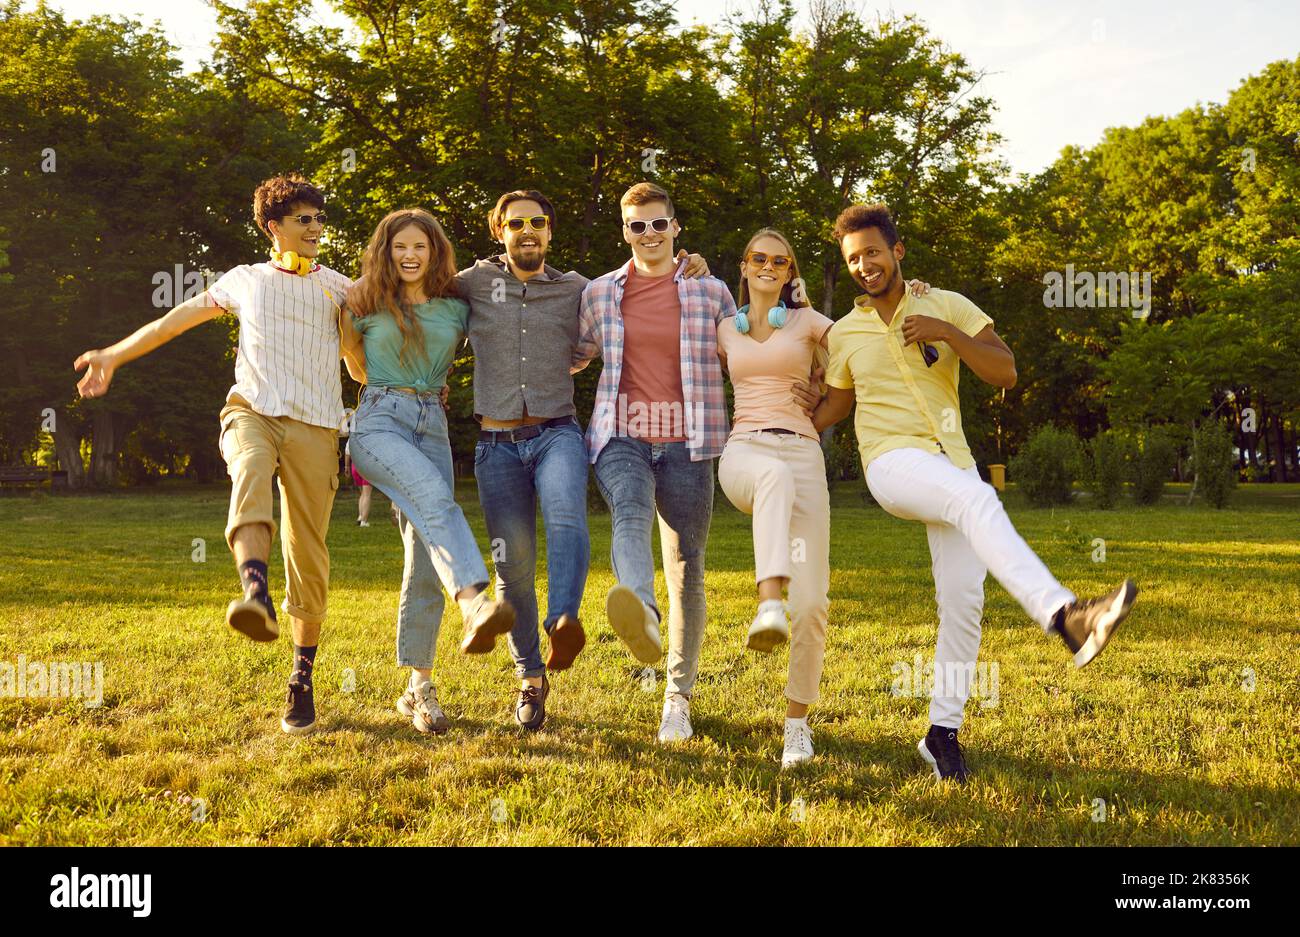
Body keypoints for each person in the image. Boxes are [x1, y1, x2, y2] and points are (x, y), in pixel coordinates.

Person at [802, 202, 1139, 783]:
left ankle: (942, 735)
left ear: (897, 251)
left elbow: (1004, 371)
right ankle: (1065, 616)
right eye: (853, 259)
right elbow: (834, 405)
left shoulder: (947, 303)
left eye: (873, 253)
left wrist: (946, 332)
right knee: (977, 499)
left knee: (963, 602)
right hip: (891, 463)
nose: (864, 266)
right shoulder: (845, 333)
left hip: (951, 463)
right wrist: (777, 416)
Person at [73, 174, 362, 735]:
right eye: (303, 219)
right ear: (273, 226)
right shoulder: (244, 279)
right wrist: (112, 354)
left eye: (319, 220)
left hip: (319, 426)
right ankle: (255, 590)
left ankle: (301, 676)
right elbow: (171, 322)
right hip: (251, 410)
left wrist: (386, 373)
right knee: (249, 467)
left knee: (309, 551)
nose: (314, 229)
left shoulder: (342, 288)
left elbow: (357, 362)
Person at [456, 189, 709, 732]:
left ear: (550, 231)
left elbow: (730, 325)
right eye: (516, 222)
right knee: (512, 566)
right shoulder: (477, 284)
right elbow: (416, 286)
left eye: (538, 222)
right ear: (498, 229)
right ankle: (530, 677)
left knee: (571, 519)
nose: (528, 230)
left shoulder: (577, 289)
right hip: (499, 441)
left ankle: (565, 620)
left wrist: (698, 267)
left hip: (559, 433)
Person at [574, 182, 736, 745]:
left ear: (675, 229)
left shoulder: (711, 293)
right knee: (630, 509)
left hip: (691, 443)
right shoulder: (598, 295)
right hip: (622, 435)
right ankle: (641, 611)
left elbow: (744, 348)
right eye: (636, 225)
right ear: (624, 231)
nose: (648, 234)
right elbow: (571, 355)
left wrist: (796, 302)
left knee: (688, 566)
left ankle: (677, 700)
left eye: (658, 224)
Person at [344, 208, 516, 736]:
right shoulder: (362, 302)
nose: (410, 255)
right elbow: (355, 364)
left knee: (422, 556)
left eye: (420, 246)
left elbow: (509, 294)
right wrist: (394, 386)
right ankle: (475, 602)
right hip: (377, 422)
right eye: (400, 247)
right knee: (436, 501)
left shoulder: (456, 307)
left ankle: (418, 687)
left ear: (435, 251)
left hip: (432, 425)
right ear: (386, 251)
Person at [343, 437, 373, 526]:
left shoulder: (352, 438)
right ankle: (364, 521)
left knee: (362, 493)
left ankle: (360, 516)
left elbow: (347, 452)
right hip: (367, 465)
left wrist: (346, 466)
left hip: (355, 466)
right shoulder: (369, 437)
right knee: (367, 494)